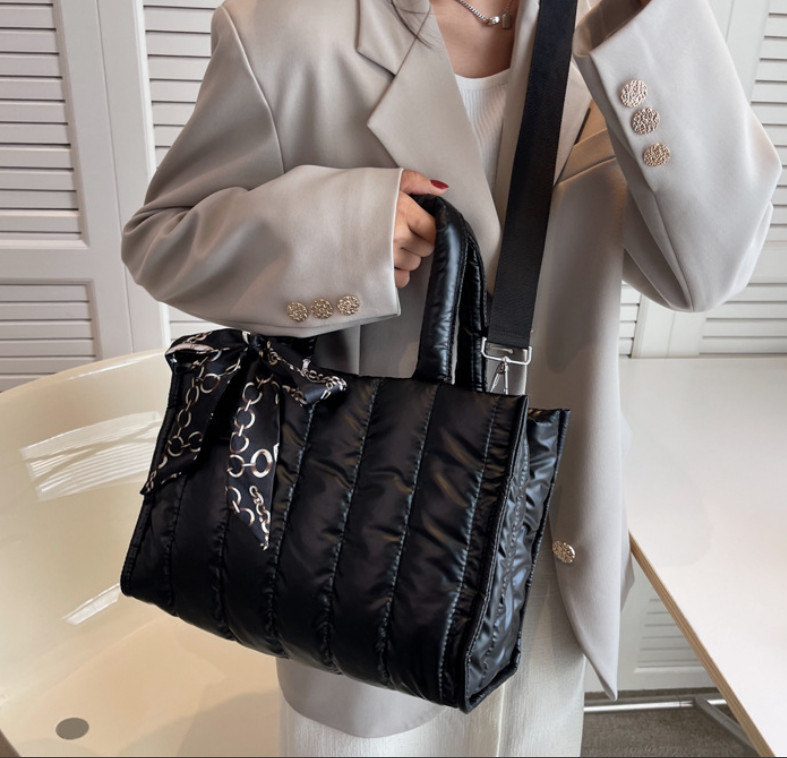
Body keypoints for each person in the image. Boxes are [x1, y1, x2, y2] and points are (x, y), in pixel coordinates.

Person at [121, 0, 780, 755]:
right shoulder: (285, 26)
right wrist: (342, 230)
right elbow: (163, 240)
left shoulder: (620, 24)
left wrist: (641, 22)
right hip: (354, 532)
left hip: (545, 525)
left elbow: (704, 274)